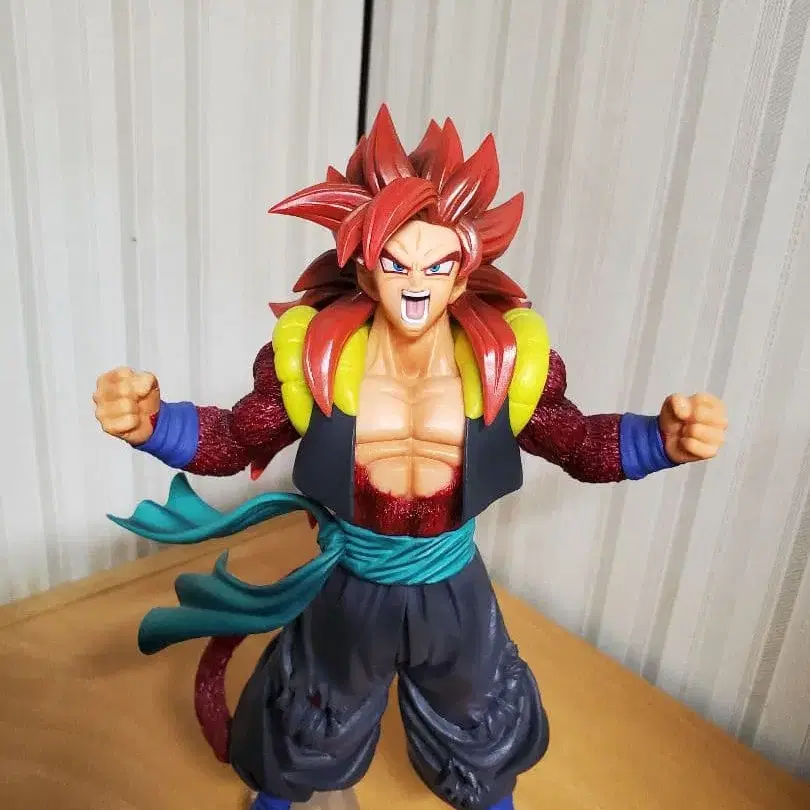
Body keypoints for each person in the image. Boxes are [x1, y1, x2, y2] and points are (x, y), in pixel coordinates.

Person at [93, 105, 728, 810]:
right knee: (309, 711)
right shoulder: (318, 363)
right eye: (396, 264)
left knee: (479, 719)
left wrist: (659, 441)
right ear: (365, 273)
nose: (417, 283)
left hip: (451, 582)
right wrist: (154, 424)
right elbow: (238, 437)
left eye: (437, 264)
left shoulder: (502, 367)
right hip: (351, 581)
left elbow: (575, 441)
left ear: (463, 275)